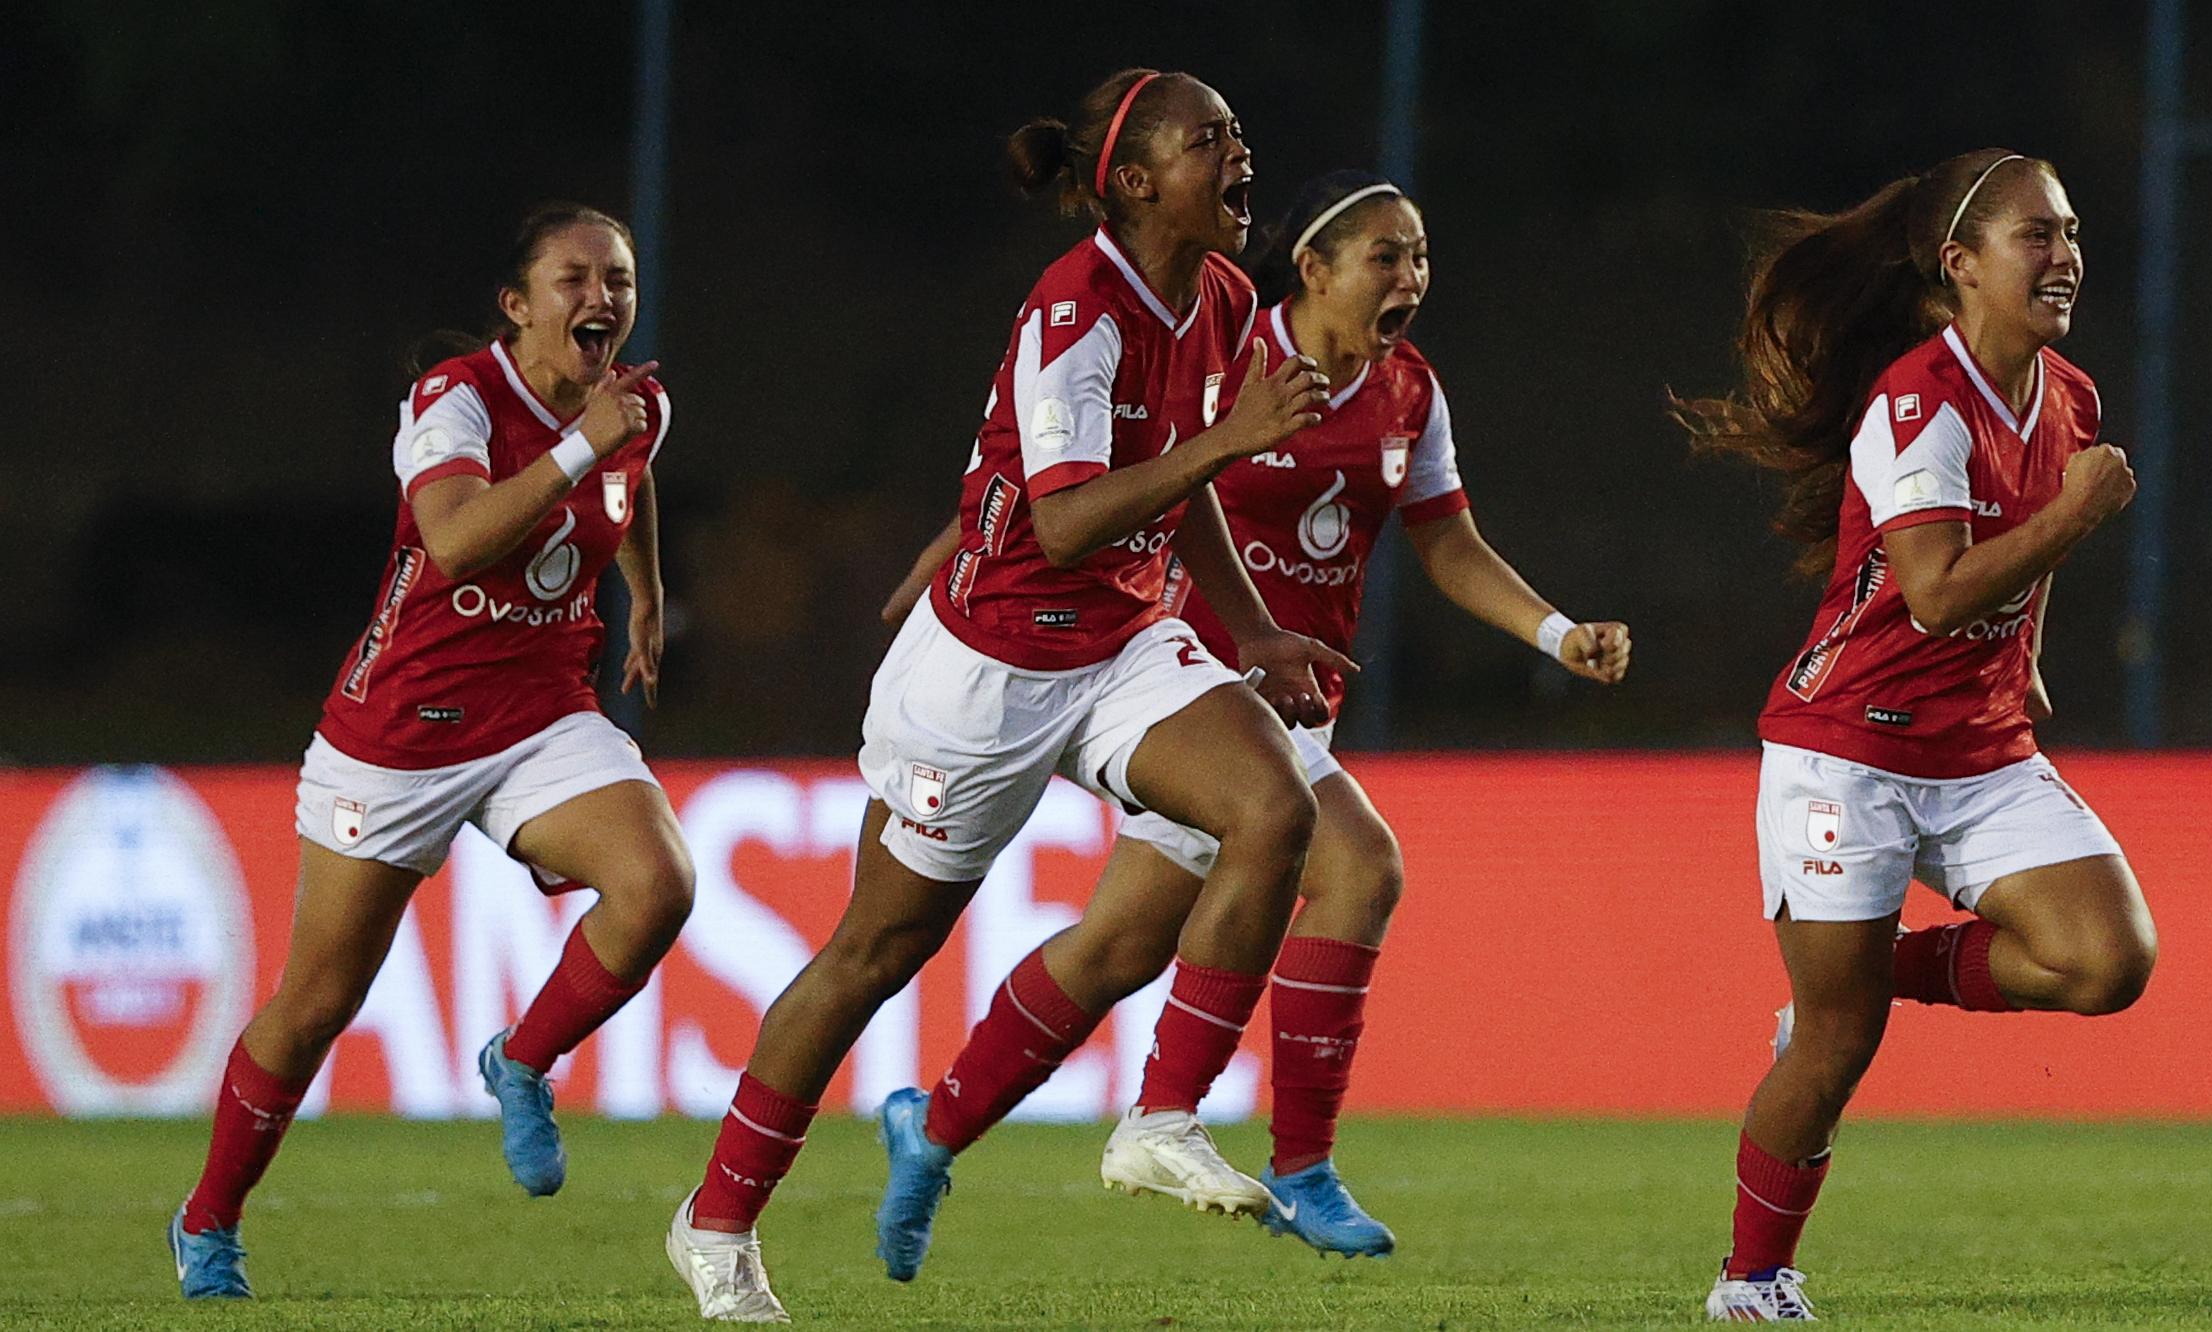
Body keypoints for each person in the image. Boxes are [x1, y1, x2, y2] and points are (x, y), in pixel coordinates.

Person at [663, 68, 1351, 1324]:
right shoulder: (1074, 311)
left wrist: (1251, 625)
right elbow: (1071, 515)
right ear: (1136, 180)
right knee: (877, 952)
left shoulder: (1224, 295)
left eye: (1239, 133)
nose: (1240, 153)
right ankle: (716, 1221)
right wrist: (1232, 439)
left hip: (1122, 647)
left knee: (1273, 809)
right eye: (1212, 140)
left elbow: (1176, 483)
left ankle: (1162, 1116)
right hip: (986, 673)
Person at [866, 169, 1633, 1280]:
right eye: (1385, 254)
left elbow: (1449, 544)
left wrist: (1556, 634)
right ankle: (1262, 1151)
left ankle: (930, 1130)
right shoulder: (1230, 345)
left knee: (1117, 950)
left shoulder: (1409, 391)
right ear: (1312, 268)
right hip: (1167, 684)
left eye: (1420, 255)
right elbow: (1094, 475)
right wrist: (955, 554)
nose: (1411, 275)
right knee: (1360, 865)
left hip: (1275, 700)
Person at [165, 204, 693, 1301]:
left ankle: (524, 1060)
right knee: (315, 1005)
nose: (603, 297)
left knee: (658, 886)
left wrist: (643, 593)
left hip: (542, 712)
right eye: (574, 279)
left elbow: (628, 479)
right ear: (518, 306)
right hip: (402, 735)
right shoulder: (453, 401)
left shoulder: (629, 407)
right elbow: (454, 541)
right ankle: (209, 1219)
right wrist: (579, 447)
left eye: (621, 278)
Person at [1672, 151, 2154, 1321]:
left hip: (1978, 751)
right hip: (1850, 747)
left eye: (2072, 233)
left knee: (2108, 960)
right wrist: (2080, 515)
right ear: (1961, 265)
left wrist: (2025, 656)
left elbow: (2006, 568)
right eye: (2036, 236)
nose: (2065, 255)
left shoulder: (2068, 396)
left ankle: (1869, 968)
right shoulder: (1915, 404)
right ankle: (1750, 1283)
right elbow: (1935, 593)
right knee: (1832, 1051)